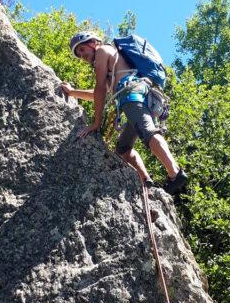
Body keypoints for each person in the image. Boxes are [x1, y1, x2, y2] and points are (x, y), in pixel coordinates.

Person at [60, 31, 188, 195]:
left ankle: (175, 173)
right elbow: (98, 94)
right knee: (123, 150)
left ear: (93, 43)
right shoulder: (112, 62)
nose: (82, 55)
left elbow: (99, 89)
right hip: (135, 96)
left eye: (82, 49)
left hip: (131, 94)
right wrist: (72, 92)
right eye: (78, 54)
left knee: (147, 132)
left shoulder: (102, 51)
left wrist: (96, 123)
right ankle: (146, 181)